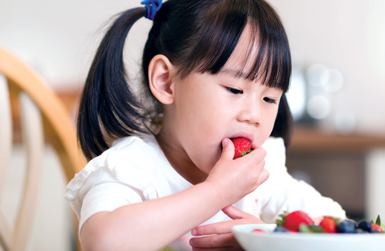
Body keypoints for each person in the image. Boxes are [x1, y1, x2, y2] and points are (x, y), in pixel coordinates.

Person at [65, 0, 346, 250]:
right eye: (235, 90)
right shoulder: (132, 168)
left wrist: (265, 236)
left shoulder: (261, 176)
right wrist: (217, 192)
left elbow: (340, 227)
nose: (254, 115)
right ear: (166, 82)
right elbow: (102, 241)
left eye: (270, 98)